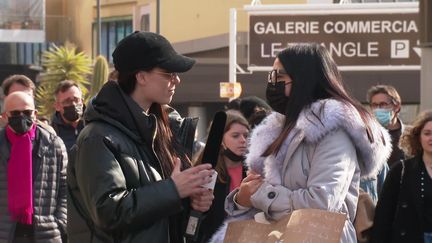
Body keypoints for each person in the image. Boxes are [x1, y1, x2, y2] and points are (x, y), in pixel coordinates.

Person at [211, 43, 392, 243]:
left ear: (303, 79)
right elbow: (264, 194)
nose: (273, 83)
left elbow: (322, 202)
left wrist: (260, 194)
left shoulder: (333, 131)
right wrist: (242, 198)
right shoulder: (278, 129)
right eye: (271, 76)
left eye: (280, 77)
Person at [67, 31, 214, 243]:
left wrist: (193, 202)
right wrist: (173, 190)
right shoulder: (97, 137)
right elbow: (108, 212)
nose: (177, 80)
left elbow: (164, 215)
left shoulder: (163, 129)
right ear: (141, 76)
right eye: (168, 73)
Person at [0, 91, 67, 242]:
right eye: (15, 113)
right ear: (4, 116)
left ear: (35, 114)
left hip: (46, 234)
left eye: (27, 112)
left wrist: (60, 223)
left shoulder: (53, 144)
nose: (22, 117)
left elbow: (65, 188)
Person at [371, 110, 432, 243]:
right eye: (427, 133)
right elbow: (383, 217)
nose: (431, 138)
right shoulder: (401, 170)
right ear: (418, 137)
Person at [192, 110, 250, 243]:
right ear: (221, 139)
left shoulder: (254, 170)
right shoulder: (206, 171)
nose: (243, 140)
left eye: (246, 135)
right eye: (235, 136)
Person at [367, 84, 407, 167]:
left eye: (383, 104)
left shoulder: (410, 134)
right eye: (374, 105)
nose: (378, 109)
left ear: (397, 107)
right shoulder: (367, 134)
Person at [51, 80, 85, 153]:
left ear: (82, 102)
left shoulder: (93, 126)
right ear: (57, 106)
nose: (73, 104)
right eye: (67, 101)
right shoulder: (52, 134)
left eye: (76, 100)